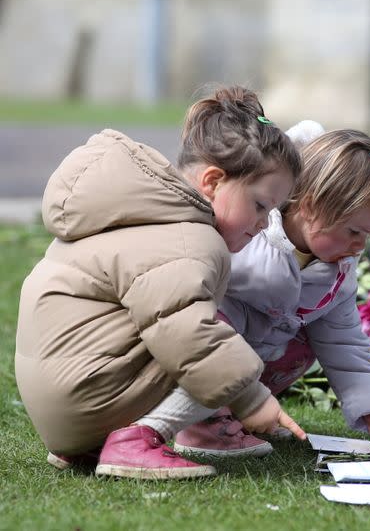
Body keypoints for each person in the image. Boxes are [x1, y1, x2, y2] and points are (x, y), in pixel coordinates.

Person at [14, 85, 306, 480]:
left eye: (270, 212)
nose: (261, 226)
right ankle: (134, 441)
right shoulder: (191, 240)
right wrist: (253, 399)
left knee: (200, 334)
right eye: (258, 206)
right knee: (215, 335)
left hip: (65, 406)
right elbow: (189, 335)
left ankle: (100, 441)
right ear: (213, 181)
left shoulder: (143, 212)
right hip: (87, 397)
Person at [173, 126, 370, 457]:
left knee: (308, 341)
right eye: (354, 231)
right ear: (310, 205)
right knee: (217, 323)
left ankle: (237, 412)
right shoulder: (249, 234)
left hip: (248, 366)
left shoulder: (335, 270)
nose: (360, 246)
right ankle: (199, 425)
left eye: (369, 236)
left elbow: (343, 340)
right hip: (195, 355)